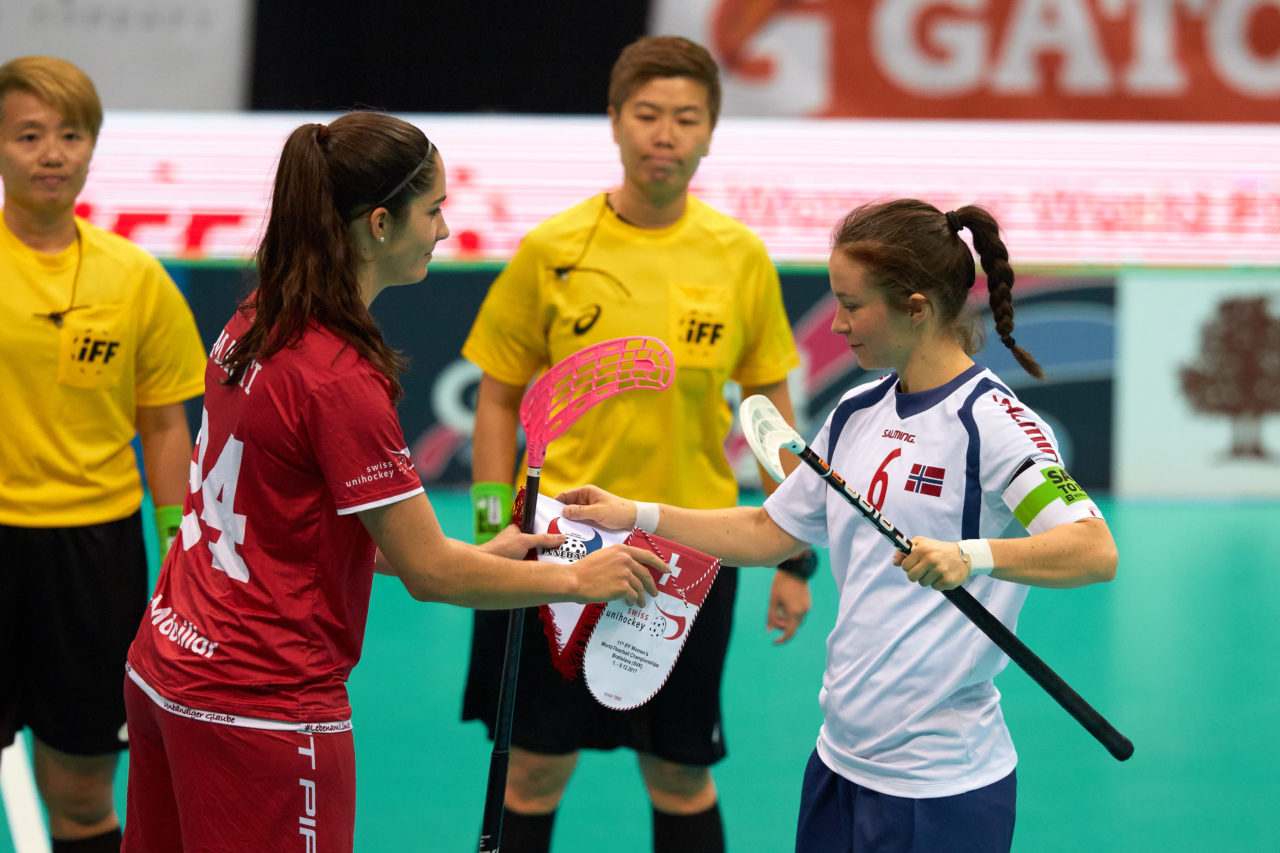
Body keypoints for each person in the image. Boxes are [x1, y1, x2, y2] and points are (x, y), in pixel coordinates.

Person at [119, 111, 667, 853]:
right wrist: (580, 581)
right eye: (435, 208)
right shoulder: (339, 378)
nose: (445, 228)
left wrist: (488, 549)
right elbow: (431, 574)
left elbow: (302, 516)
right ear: (380, 223)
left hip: (166, 667)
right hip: (263, 704)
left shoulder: (258, 316)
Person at [556, 199, 1120, 852]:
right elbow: (771, 531)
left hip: (939, 785)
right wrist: (638, 514)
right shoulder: (856, 410)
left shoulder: (994, 424)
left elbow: (1093, 548)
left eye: (852, 305)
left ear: (916, 306)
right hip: (838, 761)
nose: (839, 324)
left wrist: (973, 555)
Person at [461, 34, 813, 853]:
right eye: (648, 114)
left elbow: (768, 401)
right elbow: (496, 396)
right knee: (535, 768)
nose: (666, 133)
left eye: (686, 118)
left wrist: (793, 553)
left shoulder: (737, 256)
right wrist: (490, 527)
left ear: (711, 131)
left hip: (689, 543)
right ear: (615, 121)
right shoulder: (556, 249)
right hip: (553, 542)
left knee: (681, 772)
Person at [0, 55, 206, 853]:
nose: (51, 152)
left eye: (70, 133)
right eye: (28, 134)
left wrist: (176, 549)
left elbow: (162, 426)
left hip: (93, 553)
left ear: (92, 146)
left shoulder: (137, 279)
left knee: (84, 797)